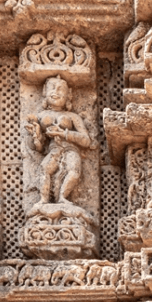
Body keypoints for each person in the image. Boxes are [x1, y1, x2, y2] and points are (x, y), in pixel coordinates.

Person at [26, 76, 94, 206]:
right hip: (54, 150)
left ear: (69, 95)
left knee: (73, 171)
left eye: (60, 89)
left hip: (70, 149)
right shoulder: (40, 116)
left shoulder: (73, 117)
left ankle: (62, 197)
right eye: (52, 88)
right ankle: (43, 200)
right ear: (44, 92)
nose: (55, 92)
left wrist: (63, 133)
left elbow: (86, 140)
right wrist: (36, 136)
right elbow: (38, 148)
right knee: (44, 169)